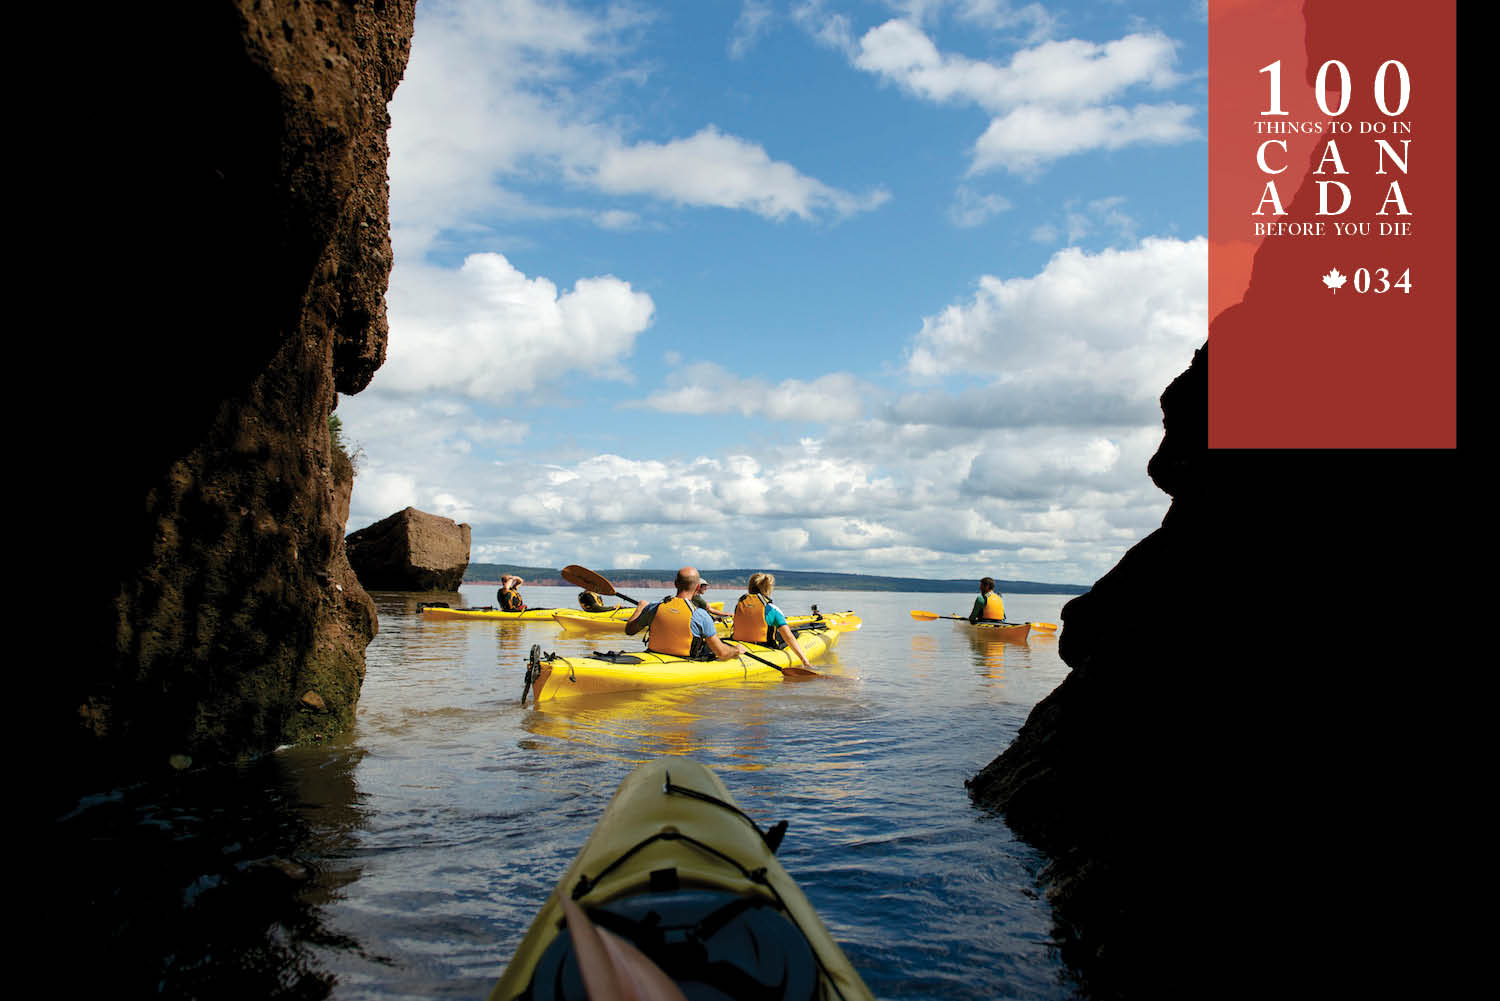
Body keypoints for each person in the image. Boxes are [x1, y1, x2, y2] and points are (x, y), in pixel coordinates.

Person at [625, 567, 743, 660]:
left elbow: (629, 631)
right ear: (697, 587)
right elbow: (721, 653)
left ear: (676, 583)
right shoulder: (700, 615)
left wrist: (640, 608)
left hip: (653, 655)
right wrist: (736, 651)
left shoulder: (655, 607)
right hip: (683, 660)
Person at [732, 573, 813, 669]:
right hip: (764, 646)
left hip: (739, 643)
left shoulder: (740, 605)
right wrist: (804, 660)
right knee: (795, 634)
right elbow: (788, 637)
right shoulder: (772, 609)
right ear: (768, 588)